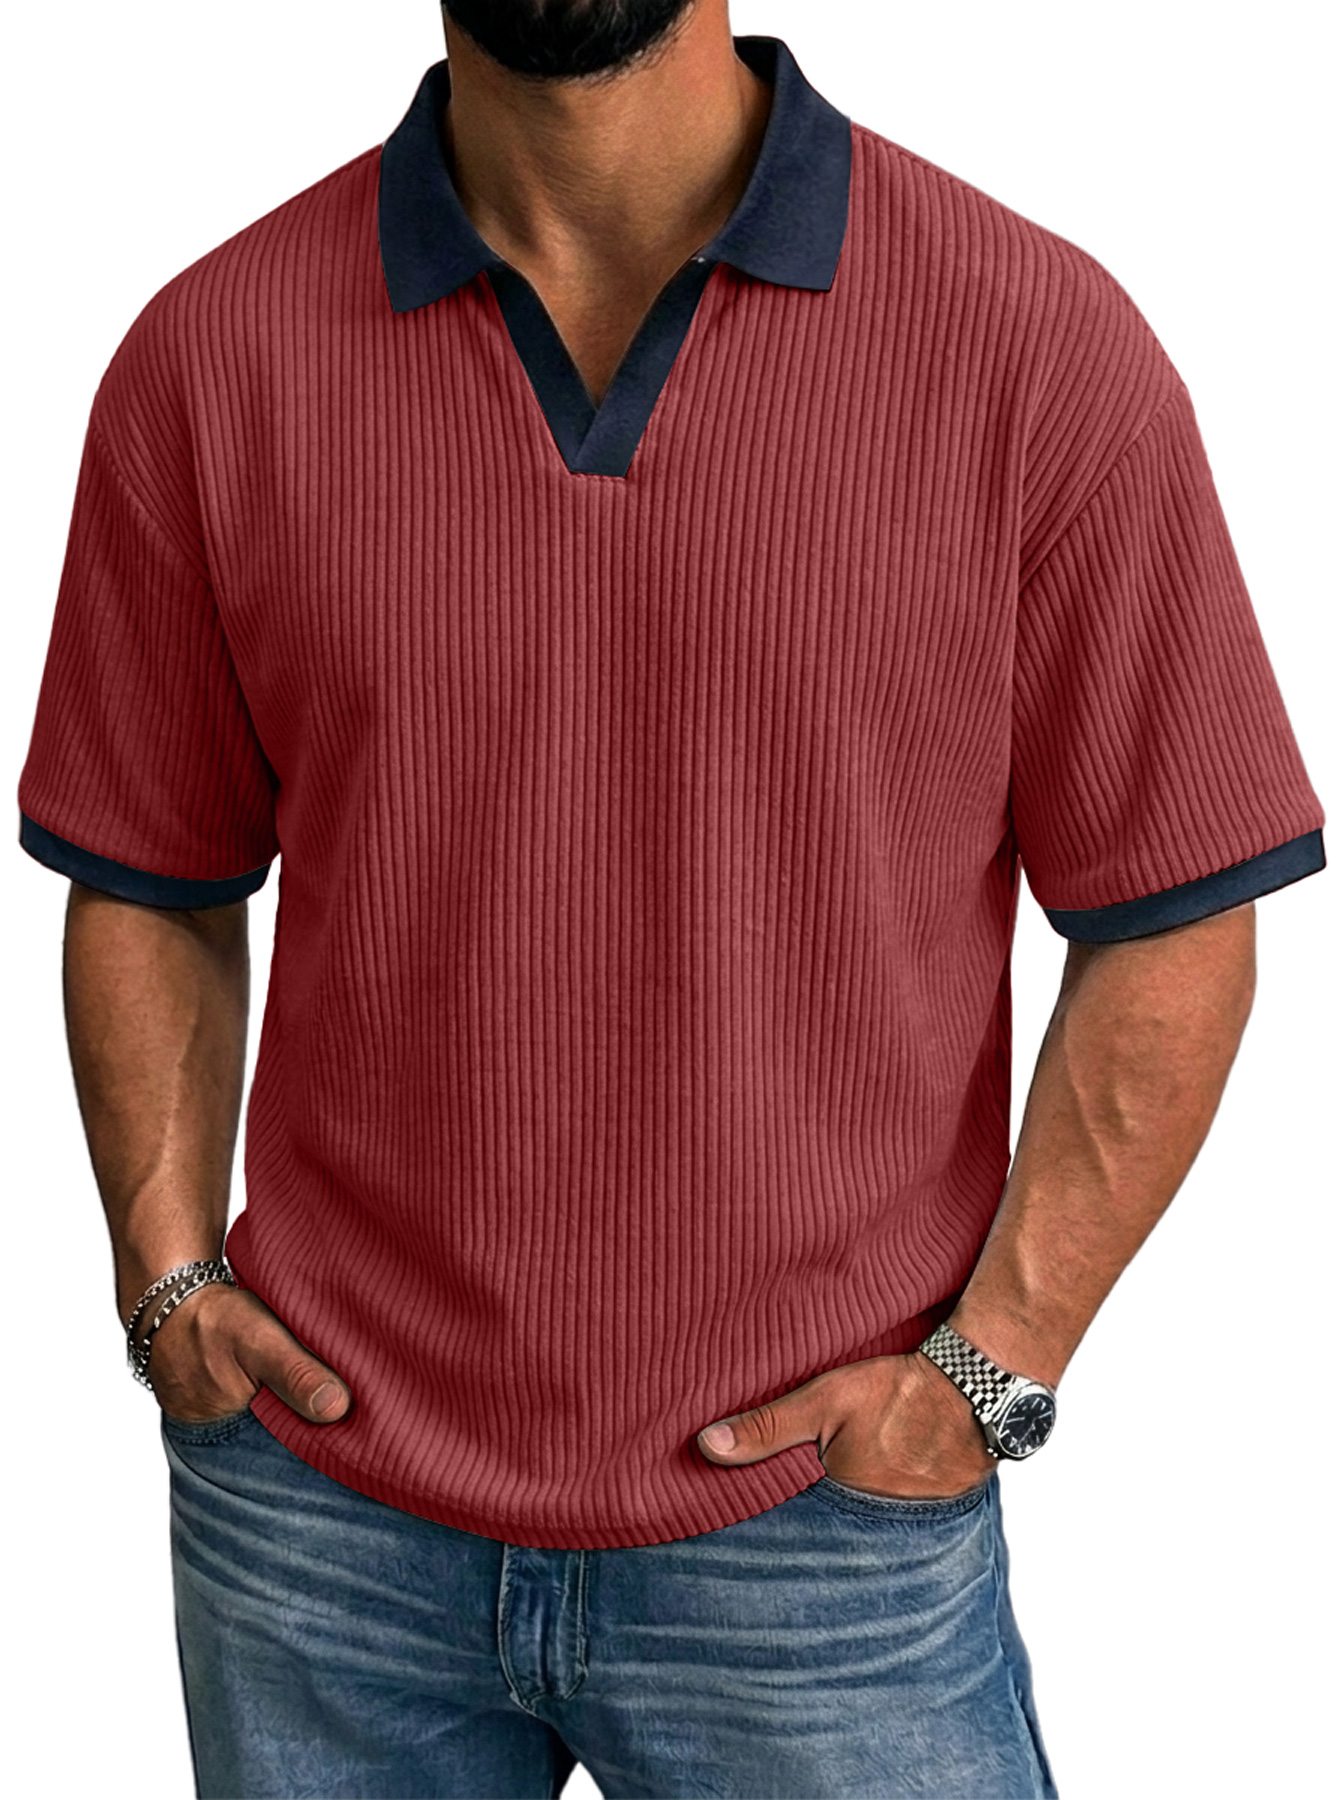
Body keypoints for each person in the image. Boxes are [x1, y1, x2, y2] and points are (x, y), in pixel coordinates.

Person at [14, 1, 1327, 1795]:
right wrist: (165, 1281)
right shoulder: (212, 353)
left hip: (822, 1542)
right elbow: (150, 875)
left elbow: (1173, 901)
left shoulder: (1033, 342)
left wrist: (993, 1369)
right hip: (320, 1524)